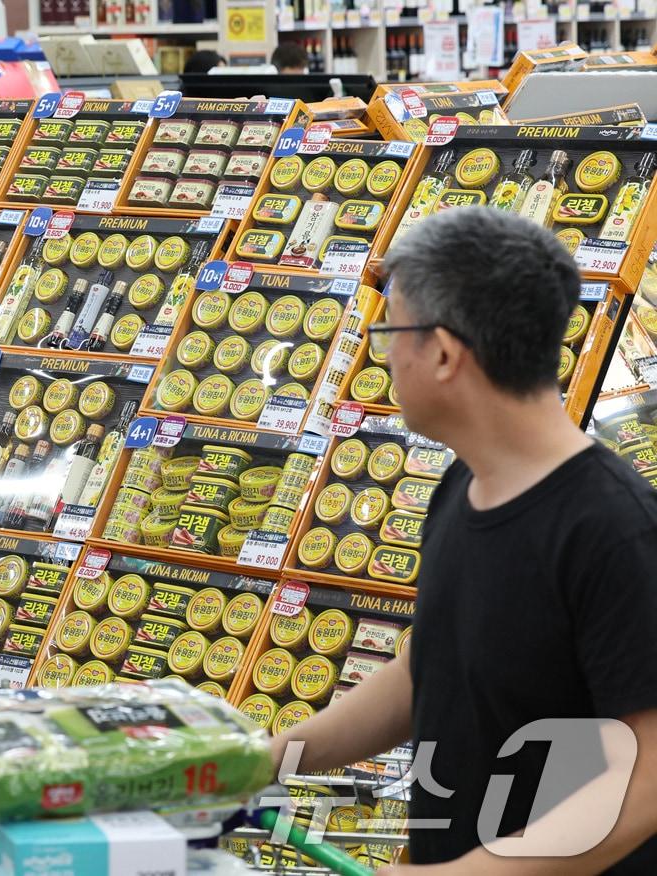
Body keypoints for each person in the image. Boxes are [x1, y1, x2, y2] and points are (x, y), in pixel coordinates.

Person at [273, 208, 657, 873]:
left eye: (391, 330)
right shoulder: (464, 484)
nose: (384, 353)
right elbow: (425, 670)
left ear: (444, 353)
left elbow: (645, 782)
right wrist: (267, 760)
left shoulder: (614, 530)